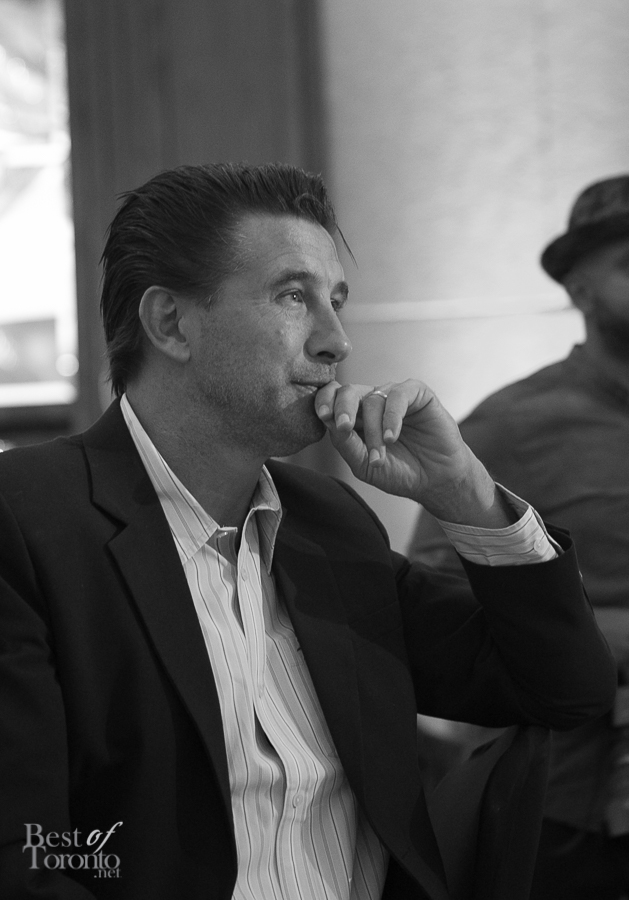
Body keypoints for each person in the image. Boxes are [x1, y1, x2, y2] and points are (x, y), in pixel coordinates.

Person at [0, 163, 615, 900]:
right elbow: (23, 861)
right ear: (170, 323)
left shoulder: (328, 523)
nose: (336, 341)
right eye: (293, 296)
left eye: (337, 301)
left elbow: (563, 687)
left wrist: (464, 492)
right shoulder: (25, 521)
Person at [408, 173, 629, 900]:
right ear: (578, 287)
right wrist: (609, 635)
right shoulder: (509, 427)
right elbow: (439, 612)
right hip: (569, 816)